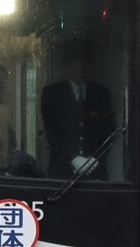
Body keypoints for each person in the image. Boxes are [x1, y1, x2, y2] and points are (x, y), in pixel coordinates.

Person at [40, 39, 116, 179]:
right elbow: (52, 131)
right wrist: (73, 158)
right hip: (61, 174)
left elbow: (109, 130)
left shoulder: (101, 93)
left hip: (95, 172)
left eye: (82, 61)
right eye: (73, 61)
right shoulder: (52, 93)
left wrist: (95, 159)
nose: (78, 66)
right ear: (65, 65)